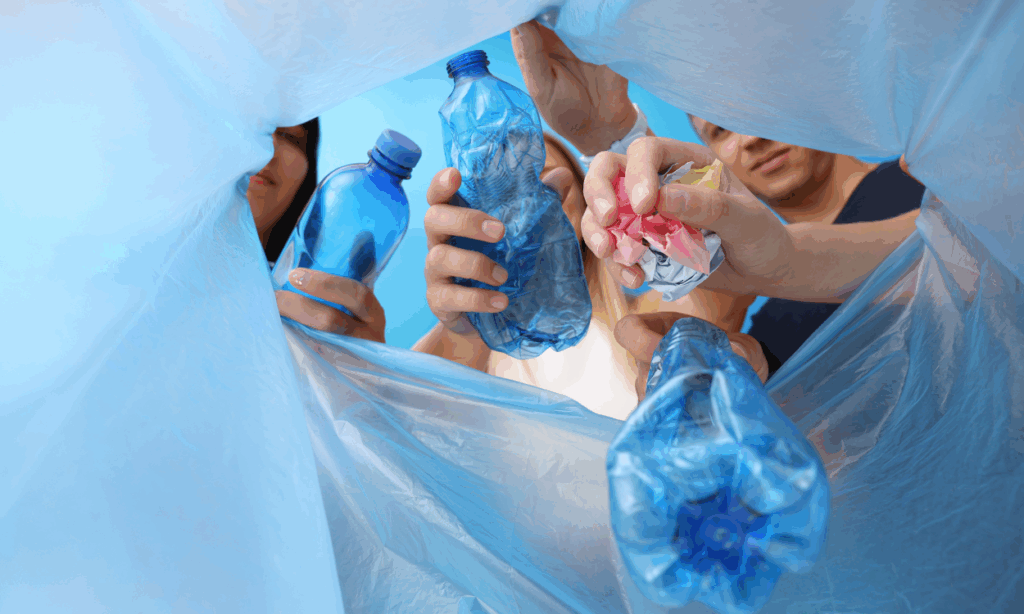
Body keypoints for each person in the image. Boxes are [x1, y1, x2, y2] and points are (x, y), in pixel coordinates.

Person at [411, 133, 769, 416]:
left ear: (584, 198)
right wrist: (466, 330)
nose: (527, 202)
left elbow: (719, 269)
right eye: (504, 187)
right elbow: (393, 428)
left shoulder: (655, 311)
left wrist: (624, 146)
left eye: (540, 176)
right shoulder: (475, 351)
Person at [246, 119, 388, 344]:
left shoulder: (303, 303)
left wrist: (359, 370)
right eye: (249, 125)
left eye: (291, 137)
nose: (269, 149)